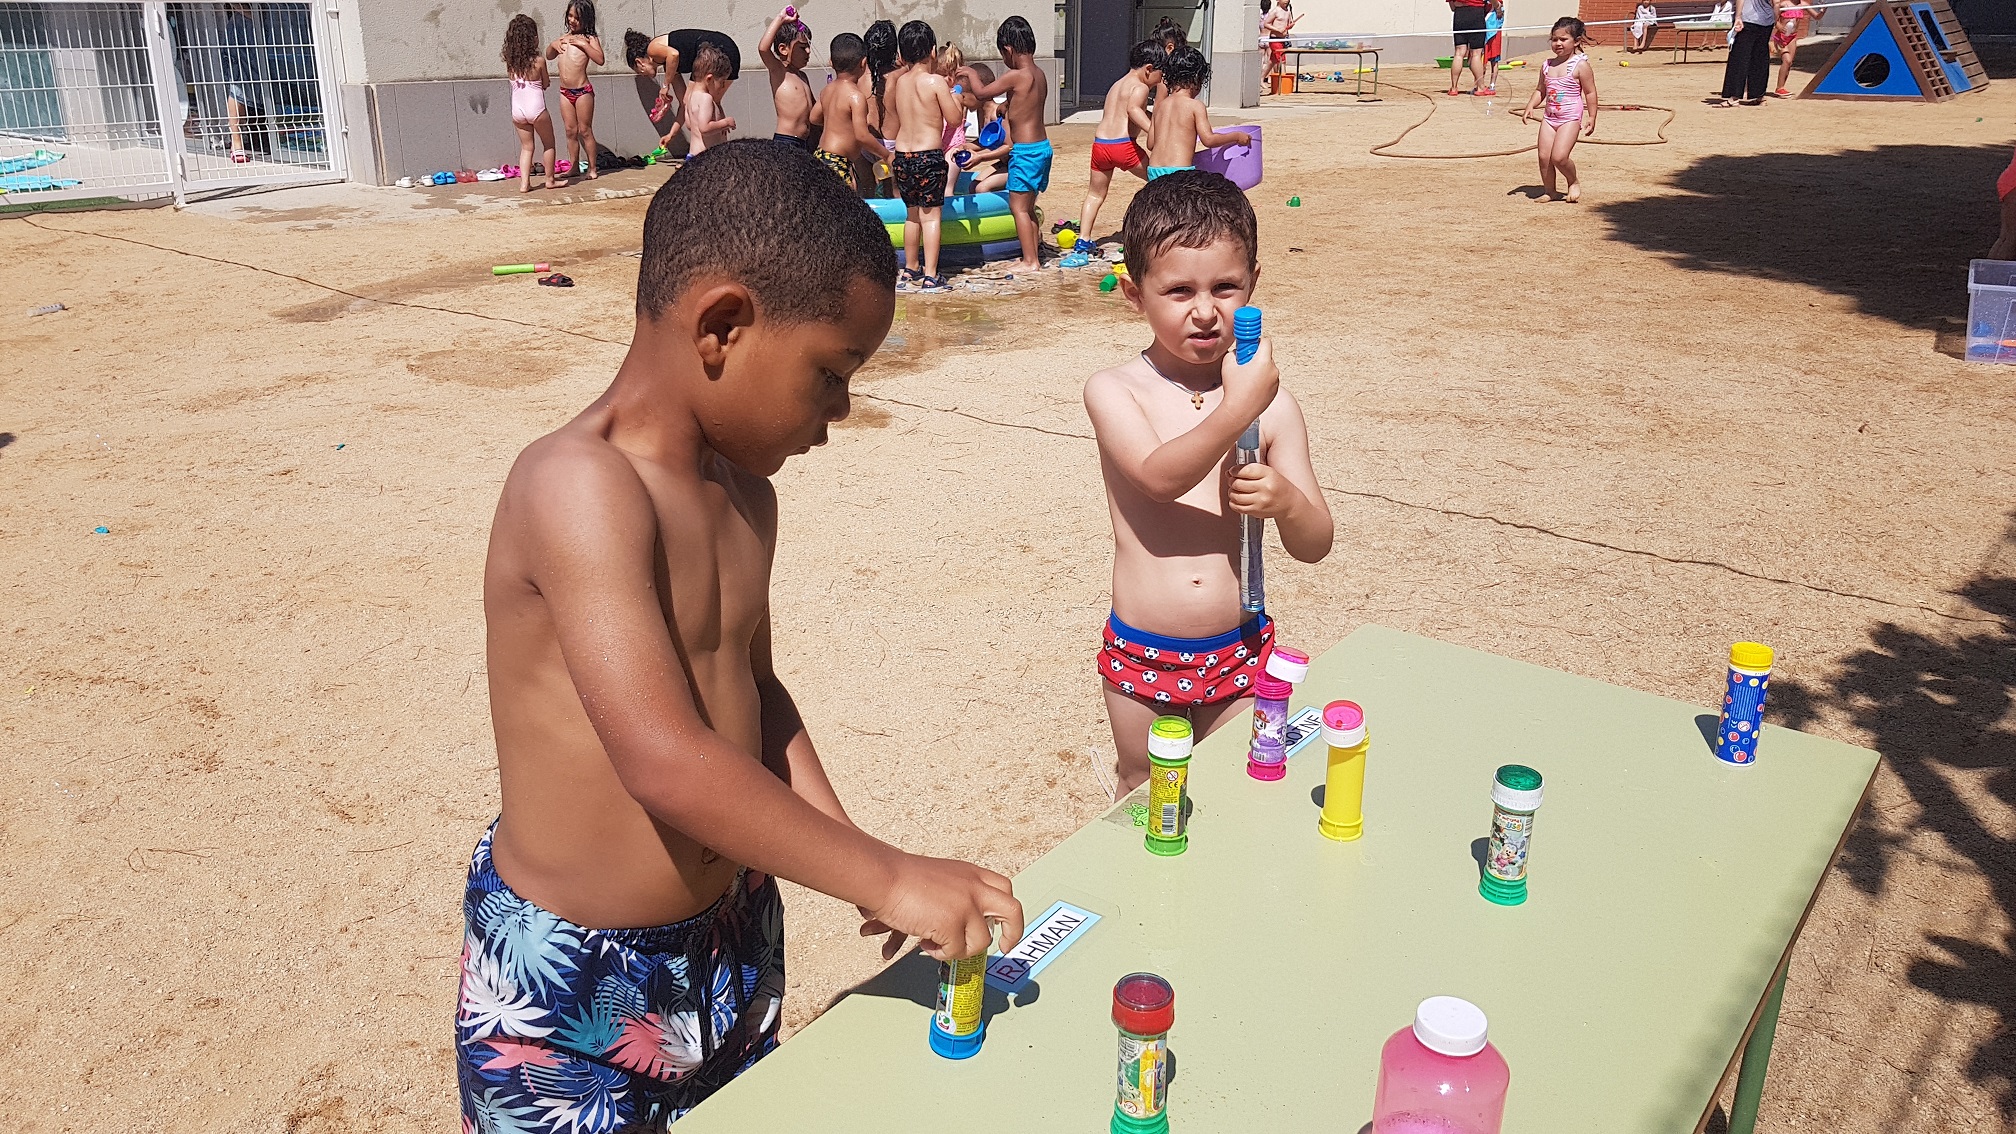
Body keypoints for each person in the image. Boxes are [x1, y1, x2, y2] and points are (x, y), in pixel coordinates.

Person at [458, 140, 1025, 1133]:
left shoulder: (746, 498)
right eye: (830, 372)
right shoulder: (577, 487)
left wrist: (857, 856)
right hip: (573, 982)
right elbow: (662, 759)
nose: (839, 411)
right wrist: (889, 876)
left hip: (731, 942)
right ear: (722, 327)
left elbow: (756, 696)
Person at [1084, 170, 1334, 794]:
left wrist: (1287, 502)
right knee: (1144, 782)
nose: (1204, 311)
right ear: (1134, 293)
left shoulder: (1275, 408)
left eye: (1225, 287)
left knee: (1233, 787)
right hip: (1144, 647)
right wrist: (1237, 407)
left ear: (1253, 284)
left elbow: (1316, 542)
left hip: (1239, 647)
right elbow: (1157, 477)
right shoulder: (1115, 390)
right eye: (1178, 290)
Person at [960, 16, 1051, 273]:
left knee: (1018, 208)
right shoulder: (1039, 74)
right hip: (1041, 148)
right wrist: (1006, 106)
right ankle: (1032, 254)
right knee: (1028, 208)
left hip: (1025, 152)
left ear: (1008, 50)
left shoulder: (1015, 75)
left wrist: (970, 73)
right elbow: (1026, 103)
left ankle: (1030, 261)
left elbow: (981, 93)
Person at [884, 20, 961, 291]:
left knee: (912, 215)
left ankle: (909, 268)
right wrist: (955, 97)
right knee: (931, 217)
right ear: (932, 51)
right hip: (928, 157)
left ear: (902, 55)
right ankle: (931, 274)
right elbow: (954, 119)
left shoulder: (900, 83)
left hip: (903, 156)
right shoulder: (935, 81)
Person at [1076, 40, 1162, 244]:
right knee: (1161, 181)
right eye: (1161, 74)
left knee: (1095, 194)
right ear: (1149, 69)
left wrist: (1156, 118)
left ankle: (1083, 239)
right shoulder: (1140, 87)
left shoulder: (1117, 85)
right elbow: (1134, 110)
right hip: (1124, 146)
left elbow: (1128, 110)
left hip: (1101, 145)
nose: (1161, 80)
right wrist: (1155, 131)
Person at [1144, 47, 1250, 182]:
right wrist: (1236, 136)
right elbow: (1209, 140)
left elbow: (1151, 144)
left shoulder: (1160, 106)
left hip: (1154, 170)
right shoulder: (1195, 106)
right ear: (1197, 79)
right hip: (1179, 173)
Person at [625, 29, 742, 149]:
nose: (643, 75)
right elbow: (684, 104)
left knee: (704, 104)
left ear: (639, 62)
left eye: (639, 71)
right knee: (708, 103)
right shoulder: (670, 67)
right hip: (728, 50)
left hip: (717, 49)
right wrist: (671, 134)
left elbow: (673, 54)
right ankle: (719, 148)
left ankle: (708, 151)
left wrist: (665, 86)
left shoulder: (652, 48)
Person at [1520, 17, 1596, 202]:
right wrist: (1530, 105)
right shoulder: (1547, 66)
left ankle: (1573, 181)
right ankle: (1550, 191)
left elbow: (1590, 92)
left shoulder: (1580, 65)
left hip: (1570, 118)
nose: (1558, 43)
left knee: (1559, 157)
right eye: (1554, 39)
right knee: (1544, 156)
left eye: (1563, 39)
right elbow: (1541, 90)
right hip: (1549, 117)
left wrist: (1592, 116)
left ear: (1576, 41)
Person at [814, 32, 889, 190]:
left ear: (831, 62)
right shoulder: (856, 97)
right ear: (863, 63)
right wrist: (886, 154)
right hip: (837, 162)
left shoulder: (827, 90)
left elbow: (814, 117)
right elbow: (862, 136)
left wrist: (838, 124)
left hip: (820, 156)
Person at [503, 14, 561, 193]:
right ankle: (550, 180)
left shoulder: (511, 63)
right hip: (536, 108)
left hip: (517, 110)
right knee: (549, 144)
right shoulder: (539, 61)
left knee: (527, 147)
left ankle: (524, 183)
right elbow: (545, 83)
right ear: (533, 39)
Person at [546, 1, 603, 181]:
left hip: (583, 91)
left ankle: (592, 168)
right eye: (570, 16)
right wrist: (552, 45)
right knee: (570, 130)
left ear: (586, 19)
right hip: (565, 92)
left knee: (584, 130)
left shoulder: (590, 39)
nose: (572, 20)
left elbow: (600, 59)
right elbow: (549, 55)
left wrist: (584, 45)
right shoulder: (563, 38)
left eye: (577, 18)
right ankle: (574, 166)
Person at [760, 7, 817, 147]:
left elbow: (813, 110)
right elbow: (763, 48)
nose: (808, 51)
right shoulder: (779, 71)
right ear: (783, 49)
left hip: (805, 142)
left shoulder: (802, 76)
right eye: (802, 47)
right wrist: (780, 18)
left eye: (809, 46)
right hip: (786, 141)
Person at [1713, 0, 1775, 106]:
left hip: (1748, 19)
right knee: (1760, 59)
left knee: (1739, 58)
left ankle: (1734, 96)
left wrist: (1738, 17)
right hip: (1767, 21)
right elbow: (1776, 3)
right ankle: (1760, 96)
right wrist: (1776, 20)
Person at [683, 43, 738, 155]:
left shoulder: (690, 97)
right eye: (722, 82)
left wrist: (718, 126)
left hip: (694, 155)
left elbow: (689, 125)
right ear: (710, 79)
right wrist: (725, 122)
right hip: (705, 157)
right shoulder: (706, 98)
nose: (723, 86)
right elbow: (704, 128)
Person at [1448, 0, 1491, 97]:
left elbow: (1452, 7)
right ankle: (1480, 87)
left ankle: (1454, 88)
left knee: (1459, 53)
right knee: (1476, 53)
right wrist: (1498, 6)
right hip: (1476, 13)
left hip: (1459, 14)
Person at [1770, 0, 1811, 98]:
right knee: (1787, 60)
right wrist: (1778, 25)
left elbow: (1817, 17)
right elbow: (1773, 17)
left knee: (1789, 63)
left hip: (1792, 37)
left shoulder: (1803, 4)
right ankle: (1779, 89)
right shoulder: (1783, 4)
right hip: (1781, 37)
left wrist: (1823, 10)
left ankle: (1781, 87)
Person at [1259, 0, 1302, 90]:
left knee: (1272, 61)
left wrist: (1290, 26)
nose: (1286, 1)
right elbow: (1266, 24)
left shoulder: (1287, 11)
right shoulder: (1275, 11)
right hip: (1275, 39)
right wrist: (1277, 30)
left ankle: (1261, 79)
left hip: (1282, 39)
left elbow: (1288, 24)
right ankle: (1283, 82)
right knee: (1282, 59)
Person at [1991, 146, 2016, 260]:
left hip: (2010, 181)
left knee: (2005, 237)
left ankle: (1989, 269)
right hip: (2014, 185)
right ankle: (1996, 270)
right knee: (2012, 239)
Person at [1482, 0, 1505, 94]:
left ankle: (1490, 85)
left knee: (1492, 60)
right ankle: (1481, 85)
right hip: (1488, 29)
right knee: (1484, 60)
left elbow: (1499, 10)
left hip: (1493, 31)